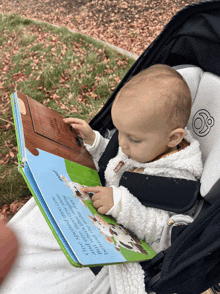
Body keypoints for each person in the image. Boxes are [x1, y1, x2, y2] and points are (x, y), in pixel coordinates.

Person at [1, 64, 203, 294]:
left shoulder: (176, 181)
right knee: (36, 219)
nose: (123, 144)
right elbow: (116, 164)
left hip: (120, 241)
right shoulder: (145, 142)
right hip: (96, 209)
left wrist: (121, 205)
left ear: (173, 138)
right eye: (120, 132)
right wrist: (96, 143)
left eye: (133, 139)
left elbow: (161, 231)